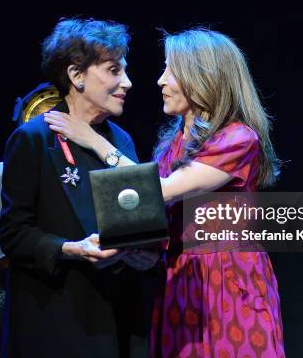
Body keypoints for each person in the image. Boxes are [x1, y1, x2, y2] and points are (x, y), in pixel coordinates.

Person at [44, 28, 285, 357]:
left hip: (225, 282)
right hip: (179, 280)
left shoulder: (237, 139)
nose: (160, 80)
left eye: (170, 70)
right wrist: (147, 252)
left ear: (201, 78)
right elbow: (154, 212)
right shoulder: (172, 144)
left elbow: (158, 192)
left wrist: (93, 141)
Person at [0, 18, 154, 358]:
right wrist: (73, 248)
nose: (127, 82)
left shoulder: (121, 141)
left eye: (124, 71)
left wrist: (145, 255)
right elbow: (12, 235)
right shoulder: (34, 139)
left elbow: (138, 219)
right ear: (76, 75)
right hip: (59, 318)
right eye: (114, 70)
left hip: (119, 316)